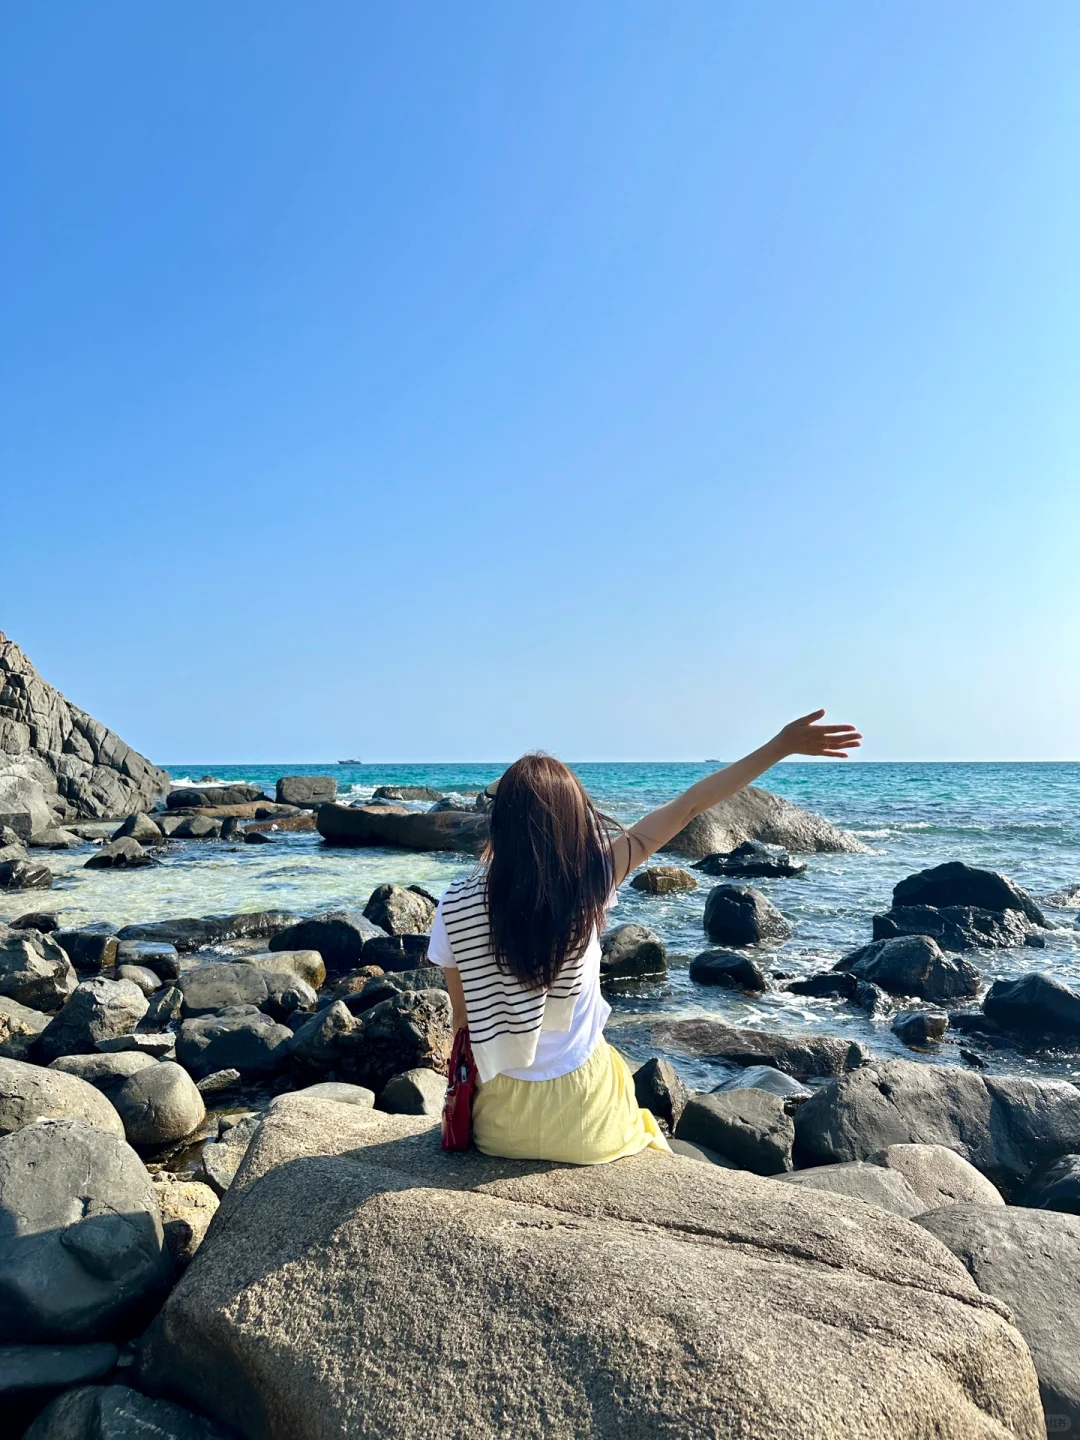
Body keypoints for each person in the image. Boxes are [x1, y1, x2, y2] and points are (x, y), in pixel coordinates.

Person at [426, 709, 861, 1164]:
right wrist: (780, 746)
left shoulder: (455, 902)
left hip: (500, 1127)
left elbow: (463, 1021)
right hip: (583, 1120)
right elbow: (689, 806)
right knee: (620, 1076)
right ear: (573, 821)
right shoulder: (591, 877)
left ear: (500, 823)